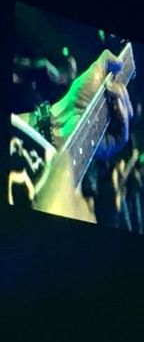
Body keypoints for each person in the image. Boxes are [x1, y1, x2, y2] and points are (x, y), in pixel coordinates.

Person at [10, 49, 133, 220]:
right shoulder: (42, 81)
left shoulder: (62, 94)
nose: (71, 72)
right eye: (67, 67)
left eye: (73, 68)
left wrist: (55, 122)